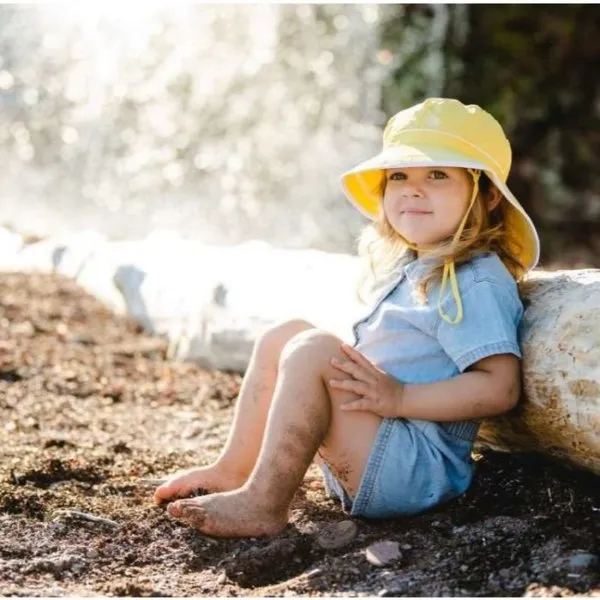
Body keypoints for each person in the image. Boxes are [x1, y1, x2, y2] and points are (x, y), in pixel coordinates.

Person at [152, 98, 540, 538]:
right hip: (378, 445)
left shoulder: (474, 280)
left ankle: (262, 504)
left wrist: (399, 399)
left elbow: (500, 386)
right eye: (399, 176)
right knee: (288, 335)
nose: (413, 189)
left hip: (415, 469)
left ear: (487, 195)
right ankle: (233, 469)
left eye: (437, 174)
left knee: (313, 348)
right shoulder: (415, 268)